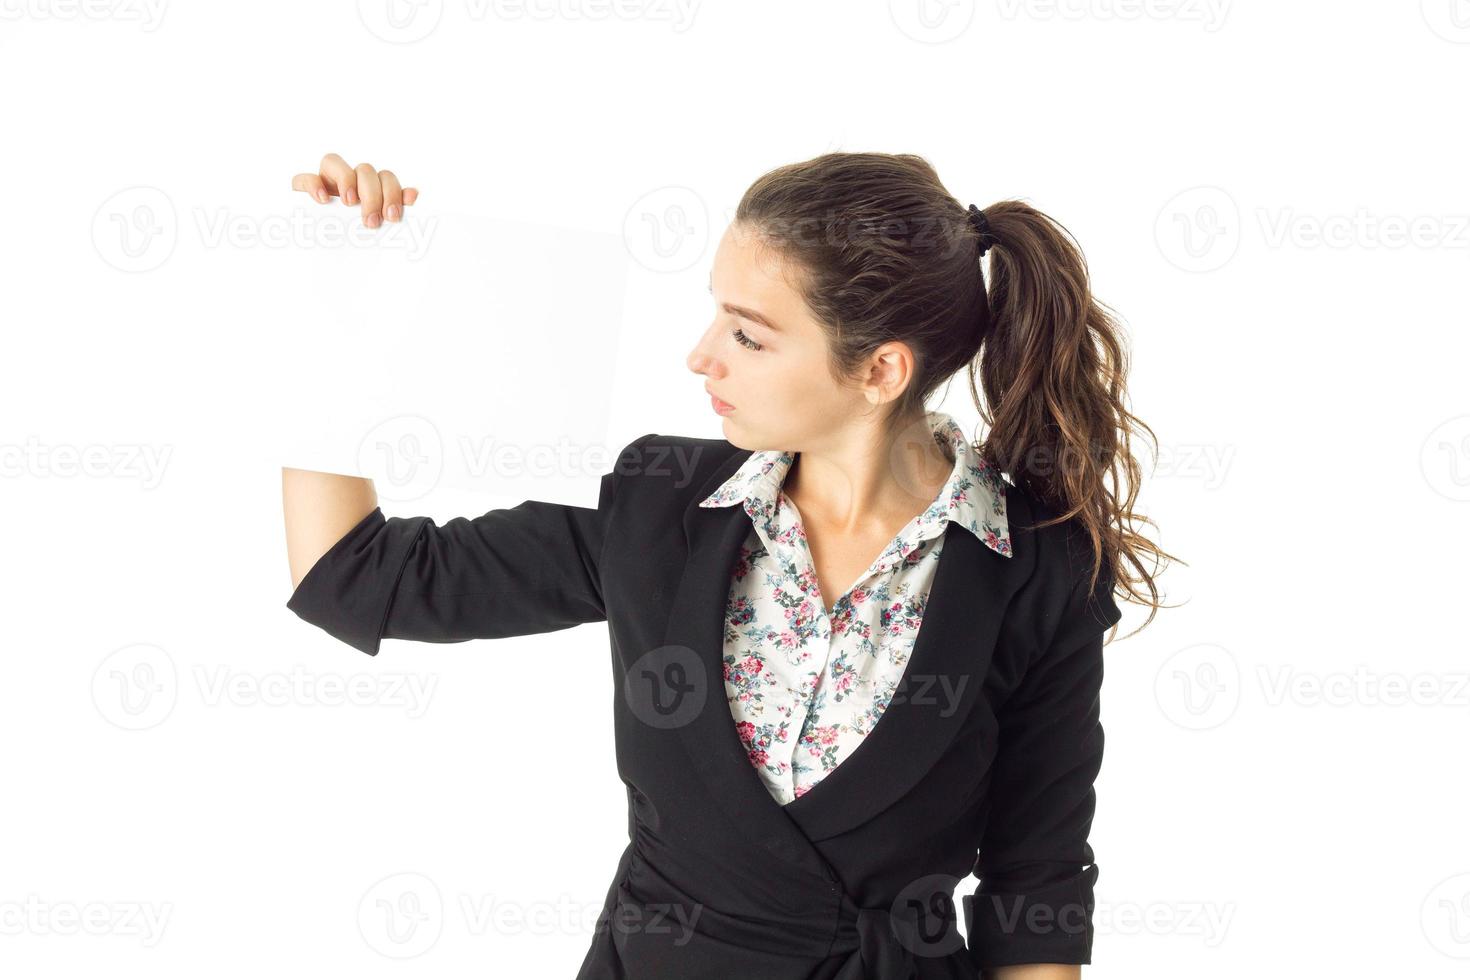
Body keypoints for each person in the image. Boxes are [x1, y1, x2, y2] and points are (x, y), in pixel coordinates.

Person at [282, 151, 1177, 979]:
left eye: (748, 335)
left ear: (879, 371)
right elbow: (356, 578)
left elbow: (1038, 882)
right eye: (714, 310)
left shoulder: (1039, 566)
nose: (701, 355)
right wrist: (341, 307)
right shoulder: (658, 503)